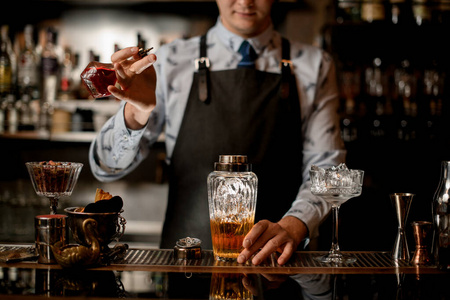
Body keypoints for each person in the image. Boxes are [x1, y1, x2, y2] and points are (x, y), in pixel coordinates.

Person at [89, 0, 346, 266]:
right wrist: (136, 111)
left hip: (279, 264)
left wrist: (295, 224)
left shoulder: (315, 65)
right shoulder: (169, 61)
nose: (245, 1)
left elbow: (328, 169)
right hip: (186, 263)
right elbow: (106, 169)